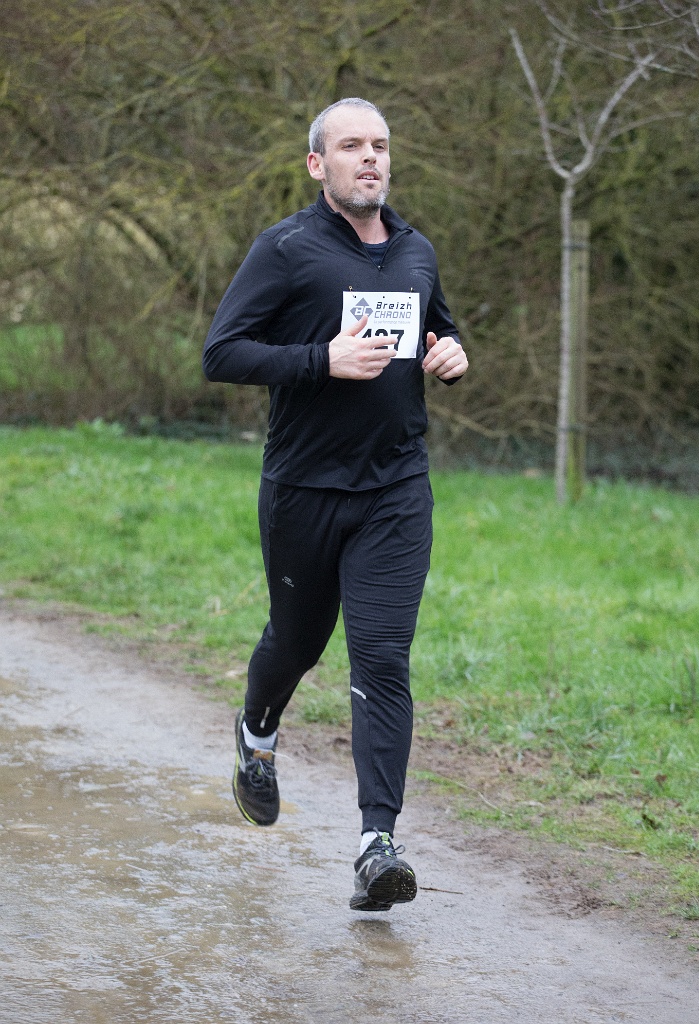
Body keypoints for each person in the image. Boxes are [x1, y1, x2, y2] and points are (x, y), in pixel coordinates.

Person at [203, 97, 468, 912]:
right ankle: (257, 732)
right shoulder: (285, 248)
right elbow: (223, 353)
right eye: (352, 145)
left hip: (395, 489)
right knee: (297, 642)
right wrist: (320, 360)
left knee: (382, 658)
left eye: (380, 144)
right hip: (304, 490)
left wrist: (453, 354)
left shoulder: (416, 250)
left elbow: (440, 331)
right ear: (318, 164)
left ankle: (375, 845)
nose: (370, 157)